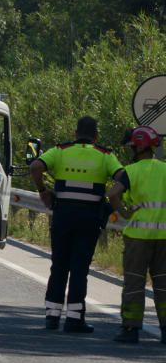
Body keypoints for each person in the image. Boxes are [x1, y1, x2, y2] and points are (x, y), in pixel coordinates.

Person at [29, 116, 122, 333]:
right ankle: (74, 319)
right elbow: (121, 177)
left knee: (59, 265)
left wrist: (43, 191)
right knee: (79, 269)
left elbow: (35, 166)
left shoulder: (60, 151)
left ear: (75, 133)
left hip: (63, 216)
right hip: (89, 218)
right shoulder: (105, 155)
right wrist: (113, 203)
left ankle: (52, 317)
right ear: (96, 135)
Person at [107, 126, 166, 344]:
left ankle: (130, 330)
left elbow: (113, 193)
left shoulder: (130, 171)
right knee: (163, 284)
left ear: (138, 147)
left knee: (134, 283)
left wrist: (122, 211)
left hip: (138, 238)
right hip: (164, 239)